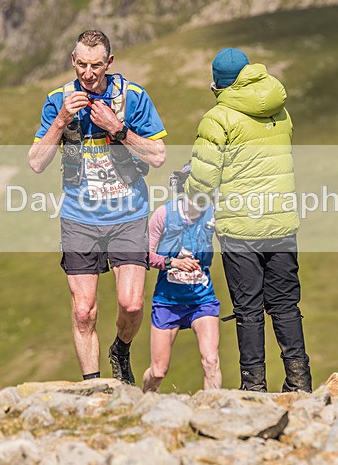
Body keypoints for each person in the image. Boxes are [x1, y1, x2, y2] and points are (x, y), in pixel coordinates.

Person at [28, 30, 167, 384]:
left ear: (109, 62)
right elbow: (36, 162)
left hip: (128, 214)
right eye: (82, 65)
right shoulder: (57, 100)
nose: (88, 74)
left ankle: (121, 348)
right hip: (79, 218)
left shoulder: (133, 97)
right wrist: (60, 121)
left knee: (132, 304)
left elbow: (158, 156)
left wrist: (117, 129)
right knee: (83, 311)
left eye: (96, 65)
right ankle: (93, 389)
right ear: (73, 61)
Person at [184, 48, 312, 393]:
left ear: (217, 84)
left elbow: (203, 181)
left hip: (240, 228)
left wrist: (189, 193)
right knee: (285, 305)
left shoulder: (217, 118)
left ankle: (254, 387)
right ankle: (300, 383)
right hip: (281, 223)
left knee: (249, 309)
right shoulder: (279, 109)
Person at [142, 163, 222, 392]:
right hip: (168, 301)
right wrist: (171, 262)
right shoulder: (164, 214)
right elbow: (143, 253)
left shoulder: (213, 214)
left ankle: (214, 409)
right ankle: (143, 398)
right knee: (158, 371)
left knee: (211, 361)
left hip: (201, 299)